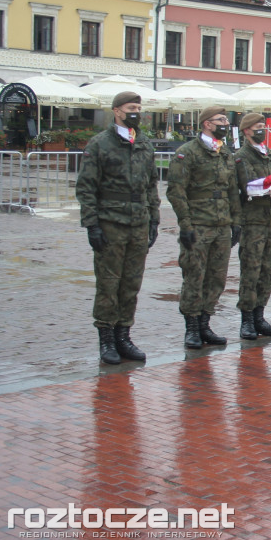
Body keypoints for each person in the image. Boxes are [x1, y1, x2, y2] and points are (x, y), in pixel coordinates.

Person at [76, 91, 160, 364]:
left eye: (138, 107)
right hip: (111, 223)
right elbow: (86, 188)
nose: (136, 112)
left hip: (138, 222)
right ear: (116, 111)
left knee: (131, 283)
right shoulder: (100, 144)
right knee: (109, 284)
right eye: (130, 108)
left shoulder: (144, 143)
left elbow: (151, 185)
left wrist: (154, 219)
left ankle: (124, 336)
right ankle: (107, 339)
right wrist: (92, 225)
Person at [166, 105, 241, 348]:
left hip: (221, 226)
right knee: (194, 277)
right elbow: (176, 192)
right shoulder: (187, 153)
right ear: (207, 123)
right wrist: (185, 225)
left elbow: (232, 191)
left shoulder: (226, 153)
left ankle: (205, 324)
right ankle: (191, 328)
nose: (225, 124)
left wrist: (235, 222)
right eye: (220, 120)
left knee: (216, 278)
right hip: (198, 225)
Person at [233, 112, 271, 340]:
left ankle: (259, 315)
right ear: (246, 131)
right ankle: (247, 319)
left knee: (269, 271)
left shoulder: (270, 156)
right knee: (251, 271)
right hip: (253, 221)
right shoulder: (242, 157)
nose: (263, 130)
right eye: (258, 127)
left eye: (264, 125)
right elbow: (248, 186)